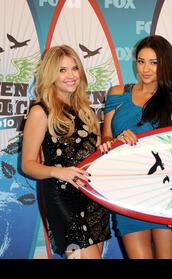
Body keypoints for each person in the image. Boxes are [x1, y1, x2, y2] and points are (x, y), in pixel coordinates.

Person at [22, 45, 111, 259]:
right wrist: (58, 172)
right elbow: (27, 164)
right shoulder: (40, 111)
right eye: (62, 70)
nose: (71, 75)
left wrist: (107, 148)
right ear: (50, 74)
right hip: (62, 199)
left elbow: (93, 152)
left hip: (93, 195)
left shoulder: (86, 110)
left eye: (74, 68)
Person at [102, 35, 172, 259]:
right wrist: (117, 140)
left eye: (153, 62)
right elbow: (105, 139)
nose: (145, 69)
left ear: (164, 65)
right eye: (141, 61)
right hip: (126, 190)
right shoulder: (118, 93)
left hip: (164, 191)